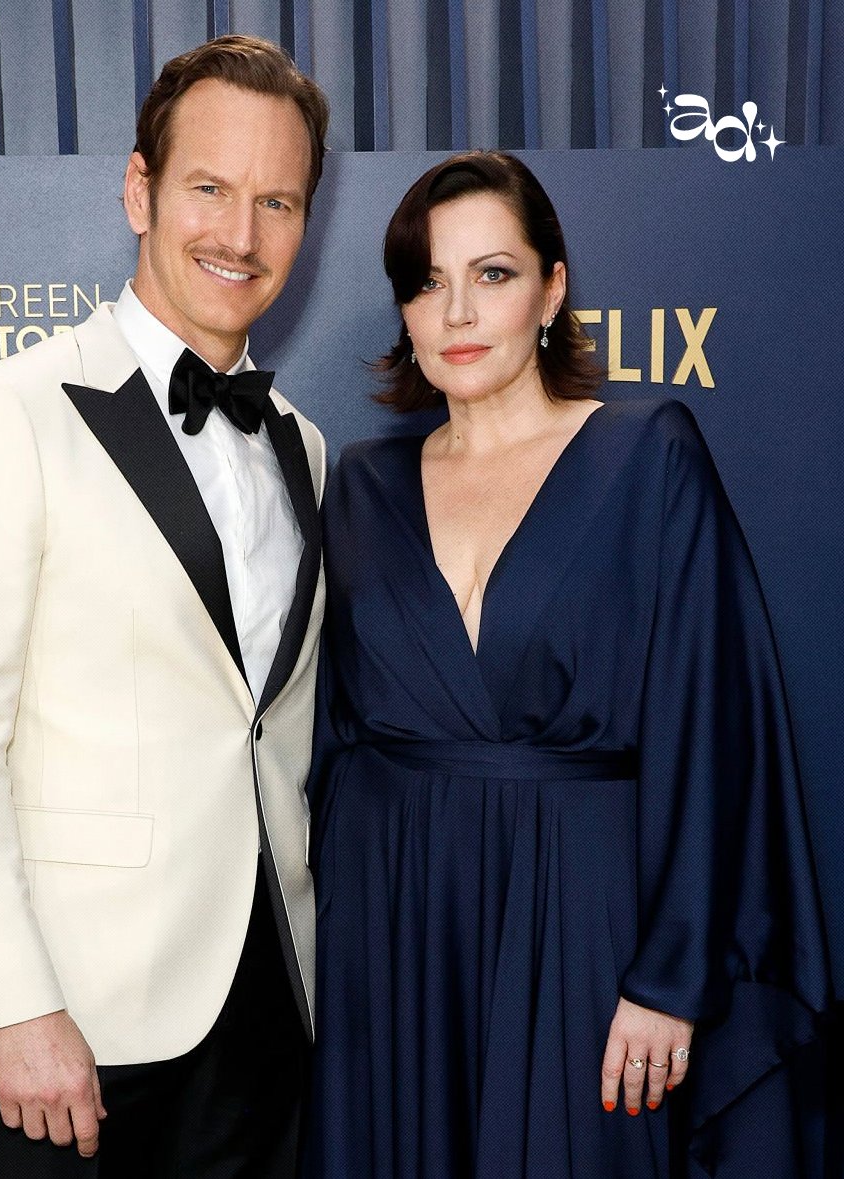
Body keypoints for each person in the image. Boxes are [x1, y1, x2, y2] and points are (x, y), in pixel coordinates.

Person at [304, 151, 830, 1178]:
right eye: (425, 281)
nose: (455, 310)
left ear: (551, 289)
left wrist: (672, 979)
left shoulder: (648, 459)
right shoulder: (359, 488)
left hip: (584, 924)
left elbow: (712, 730)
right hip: (393, 930)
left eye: (491, 274)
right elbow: (326, 741)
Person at [0, 35, 329, 1178]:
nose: (239, 234)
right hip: (80, 1023)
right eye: (208, 189)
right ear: (139, 191)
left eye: (276, 200)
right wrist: (14, 1006)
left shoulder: (305, 449)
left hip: (270, 1003)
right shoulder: (3, 413)